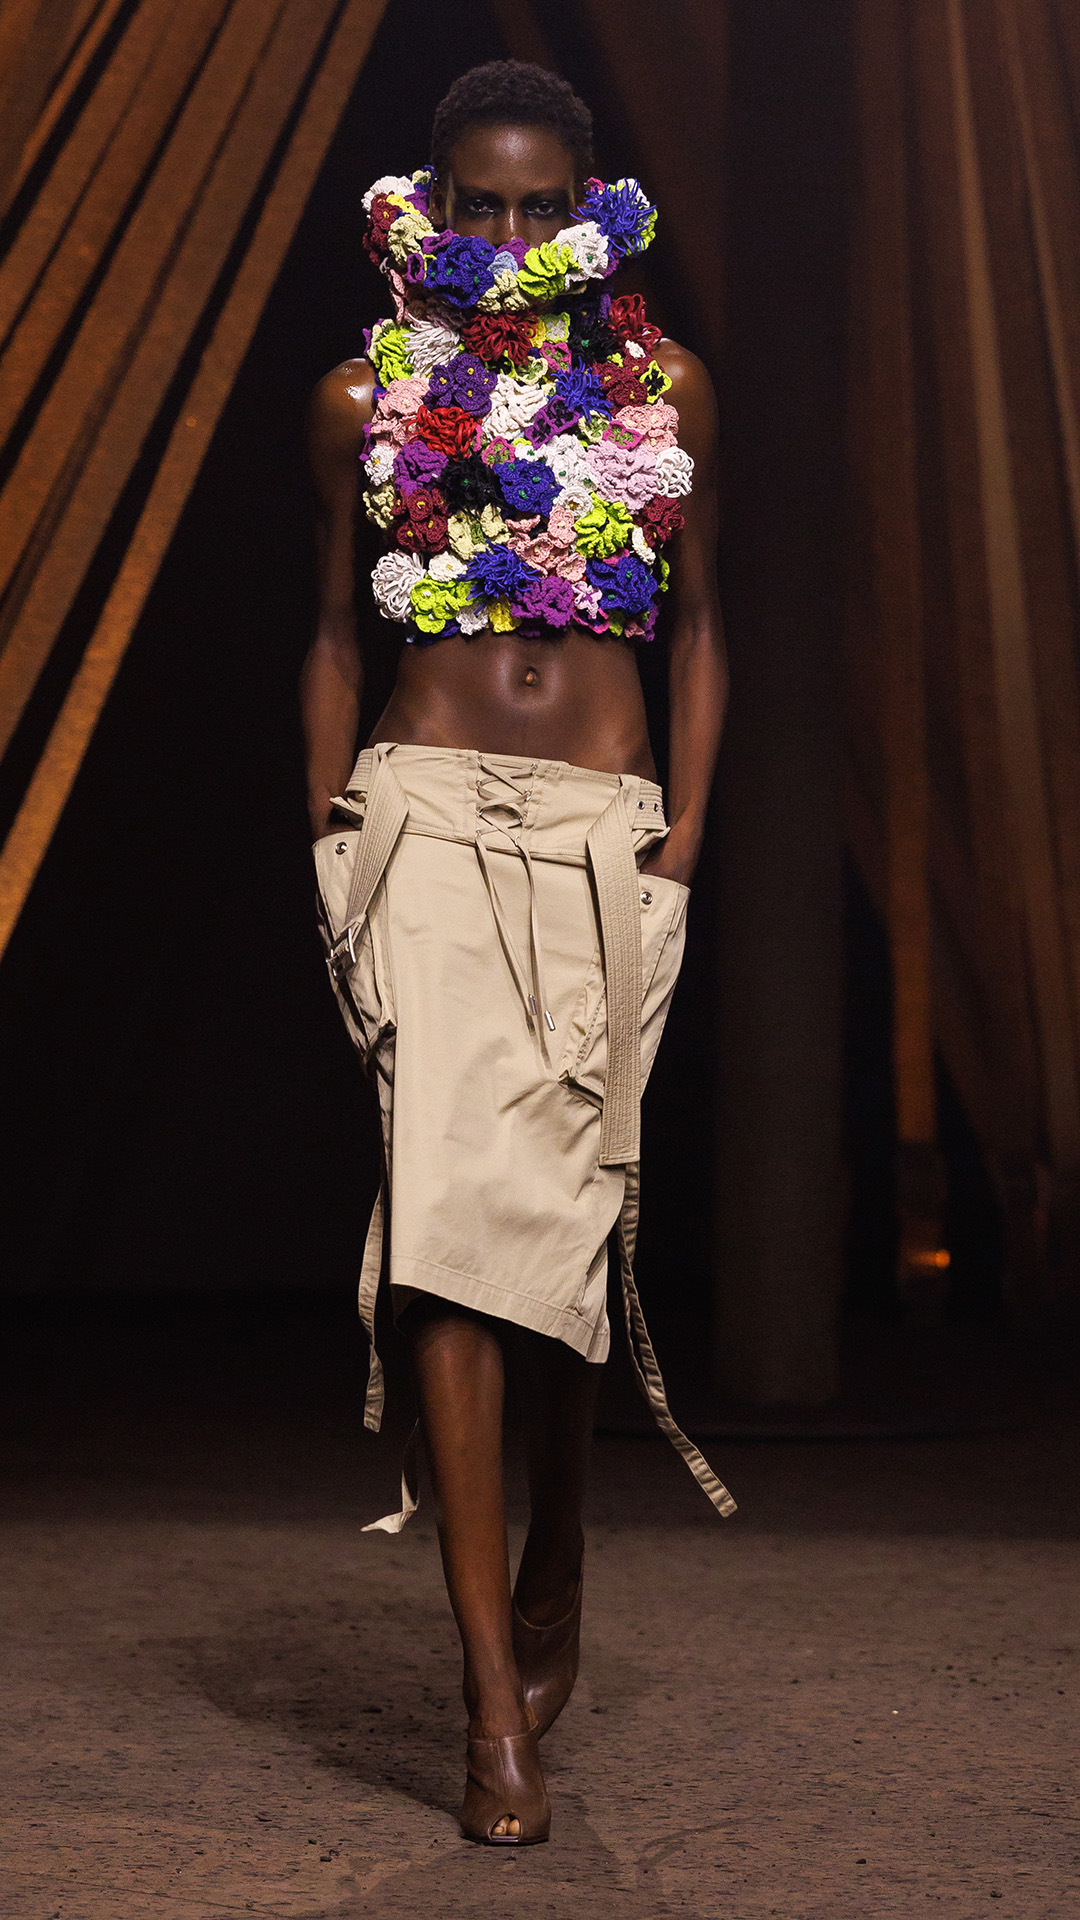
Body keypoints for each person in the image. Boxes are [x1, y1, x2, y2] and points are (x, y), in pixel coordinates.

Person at [301, 60, 734, 1847]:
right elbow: (332, 632)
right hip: (419, 824)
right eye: (473, 203)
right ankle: (490, 1703)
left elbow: (703, 629)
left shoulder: (662, 391)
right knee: (446, 1245)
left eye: (537, 204)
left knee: (554, 1243)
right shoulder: (364, 398)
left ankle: (562, 1540)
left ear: (588, 209)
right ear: (430, 205)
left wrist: (679, 840)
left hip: (599, 838)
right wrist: (333, 833)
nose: (504, 234)